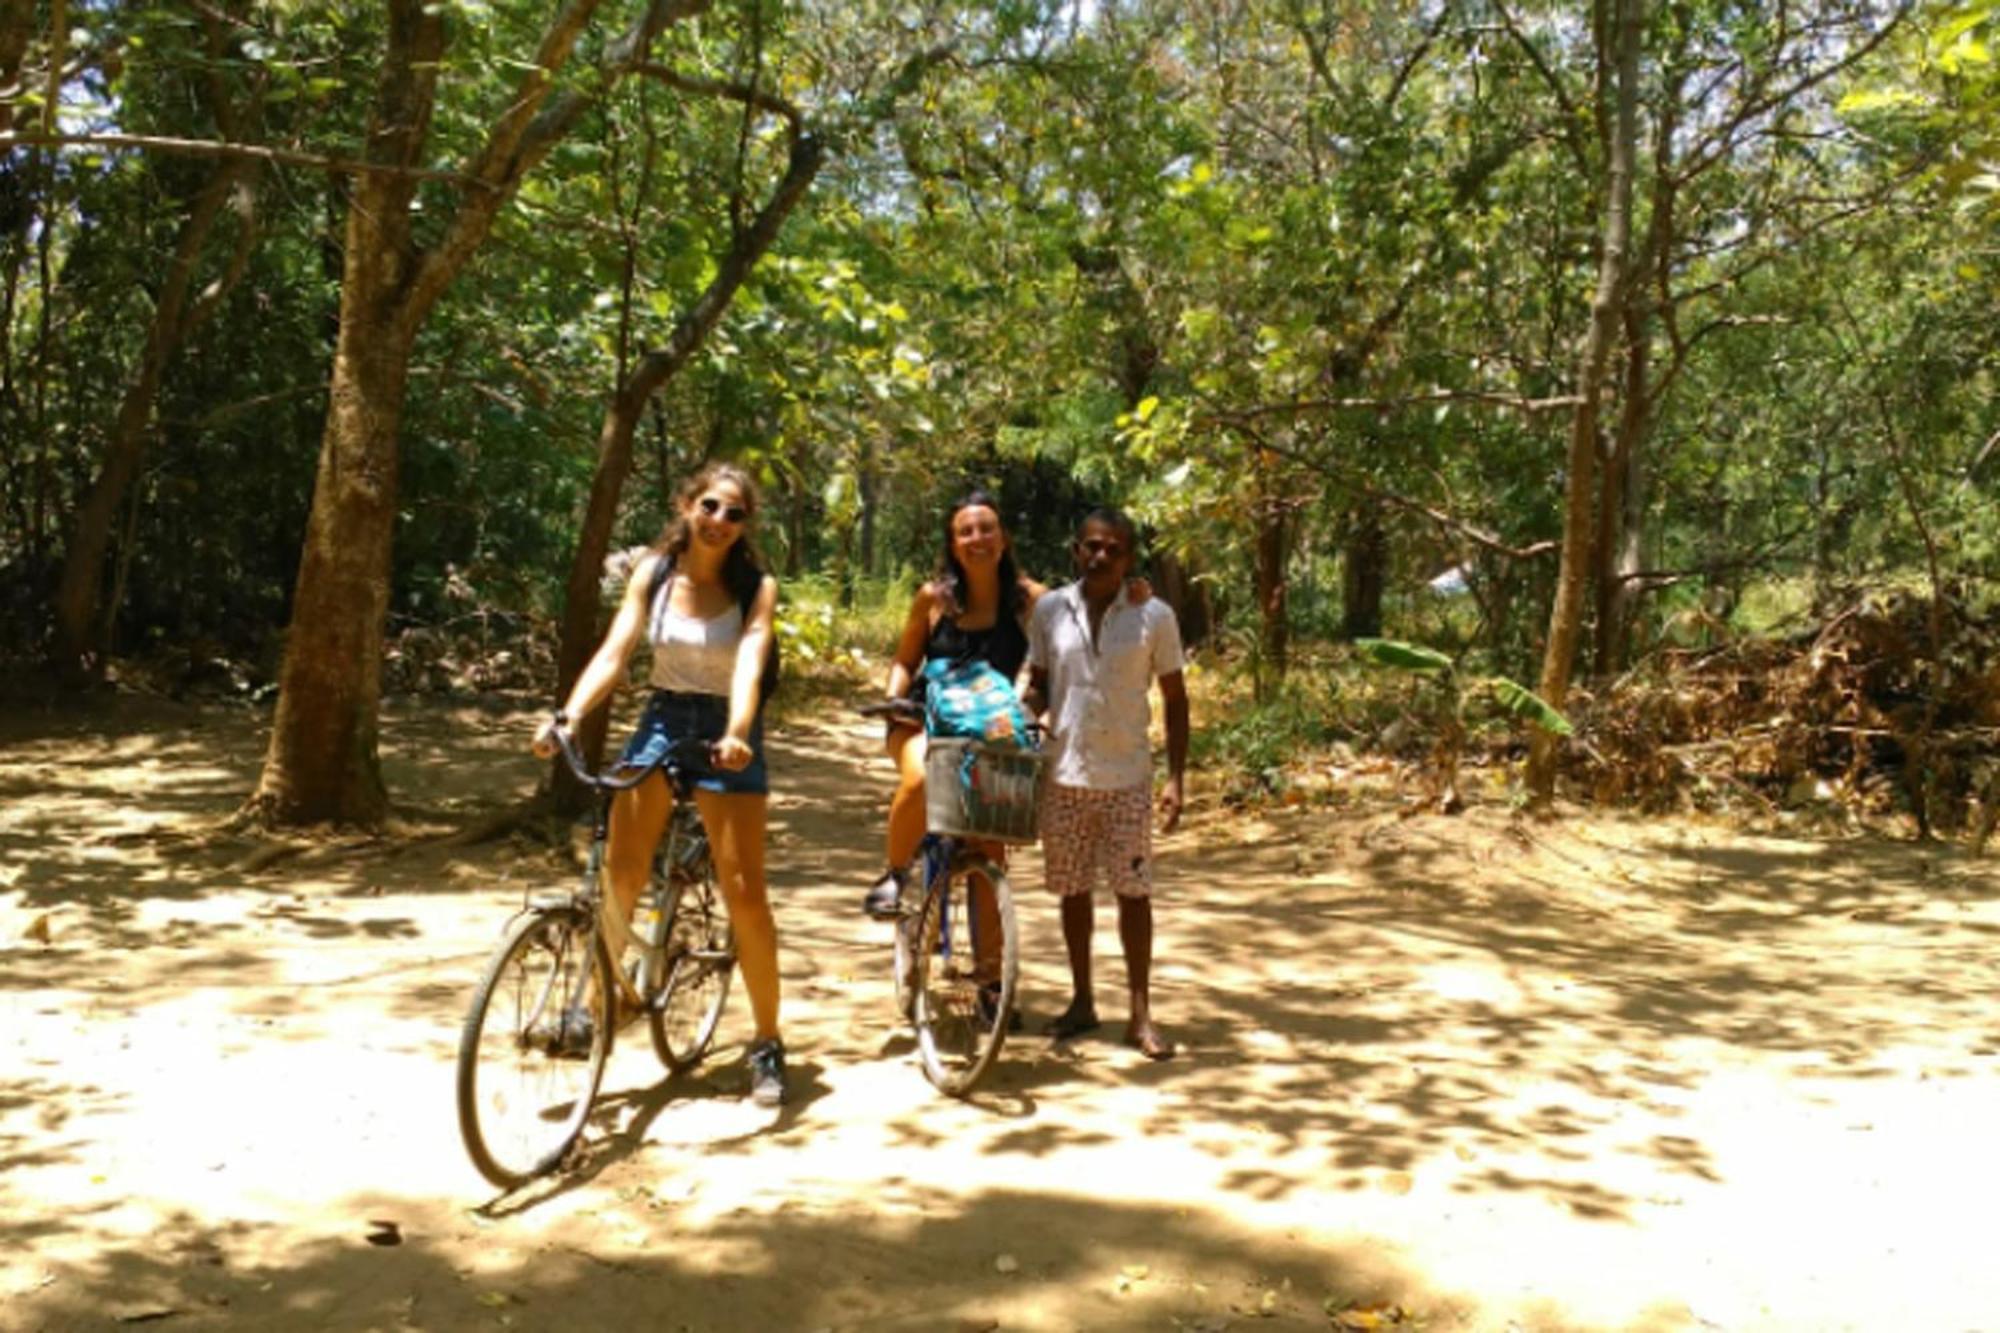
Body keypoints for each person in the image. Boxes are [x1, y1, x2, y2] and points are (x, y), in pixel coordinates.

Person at [531, 461, 789, 1106]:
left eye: (734, 513)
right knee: (620, 873)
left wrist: (736, 731)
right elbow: (616, 654)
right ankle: (597, 1006)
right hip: (664, 714)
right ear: (686, 505)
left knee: (744, 892)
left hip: (727, 729)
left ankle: (766, 1042)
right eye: (710, 506)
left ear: (744, 525)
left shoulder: (756, 587)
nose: (720, 521)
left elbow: (751, 660)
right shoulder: (654, 573)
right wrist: (567, 717)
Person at [1026, 506, 1188, 1061]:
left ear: (1129, 558)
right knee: (1073, 890)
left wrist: (1177, 780)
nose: (1100, 557)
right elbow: (1040, 684)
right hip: (1065, 774)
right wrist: (1023, 719)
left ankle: (1140, 1013)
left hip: (1128, 778)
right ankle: (1081, 1001)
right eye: (1091, 546)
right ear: (1077, 550)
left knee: (1134, 894)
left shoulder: (1154, 617)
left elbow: (1175, 699)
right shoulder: (1050, 610)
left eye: (1112, 549)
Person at [862, 491, 1045, 921]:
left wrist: (1035, 715)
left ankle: (991, 977)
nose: (977, 538)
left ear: (1004, 539)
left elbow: (1058, 662)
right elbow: (906, 661)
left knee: (990, 844)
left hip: (992, 725)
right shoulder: (932, 599)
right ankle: (894, 874)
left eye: (987, 528)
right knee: (923, 777)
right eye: (965, 531)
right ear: (952, 543)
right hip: (924, 718)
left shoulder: (1032, 601)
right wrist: (895, 701)